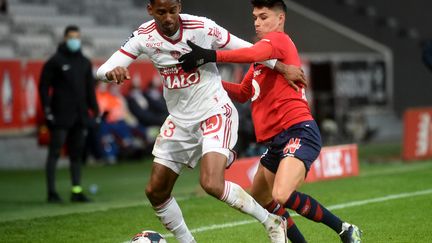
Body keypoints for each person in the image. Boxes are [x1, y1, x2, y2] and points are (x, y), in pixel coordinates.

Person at [96, 0, 309, 242]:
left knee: (211, 183)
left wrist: (281, 67)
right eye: (161, 12)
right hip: (180, 120)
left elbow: (246, 48)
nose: (168, 18)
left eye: (173, 11)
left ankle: (271, 221)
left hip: (214, 110)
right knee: (156, 191)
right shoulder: (143, 36)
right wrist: (110, 73)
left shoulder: (202, 27)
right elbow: (103, 69)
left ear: (179, 6)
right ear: (150, 10)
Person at [179, 0, 362, 242]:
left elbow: (254, 52)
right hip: (276, 140)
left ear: (280, 19)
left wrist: (211, 56)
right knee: (260, 196)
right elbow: (244, 93)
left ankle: (345, 229)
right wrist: (209, 83)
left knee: (282, 194)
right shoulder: (261, 60)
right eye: (255, 17)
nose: (257, 22)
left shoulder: (278, 41)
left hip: (298, 130)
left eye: (263, 17)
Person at [39, 25, 99, 203]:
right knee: (55, 153)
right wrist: (47, 110)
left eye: (77, 37)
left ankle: (76, 191)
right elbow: (43, 87)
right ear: (65, 38)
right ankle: (51, 192)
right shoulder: (55, 61)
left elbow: (90, 90)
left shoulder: (85, 62)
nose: (75, 40)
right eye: (72, 37)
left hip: (80, 116)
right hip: (60, 116)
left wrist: (95, 111)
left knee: (76, 154)